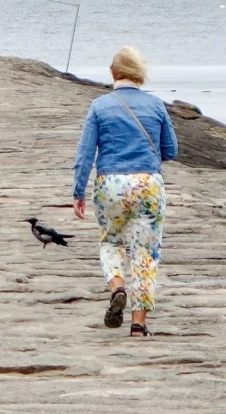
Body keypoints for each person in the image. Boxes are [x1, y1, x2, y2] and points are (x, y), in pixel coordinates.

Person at [72, 46, 179, 338]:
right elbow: (171, 150)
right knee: (145, 253)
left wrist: (78, 191)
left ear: (113, 73)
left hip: (111, 184)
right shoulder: (155, 105)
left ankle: (118, 287)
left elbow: (85, 154)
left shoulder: (99, 106)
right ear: (139, 74)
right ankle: (138, 325)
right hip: (147, 183)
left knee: (111, 242)